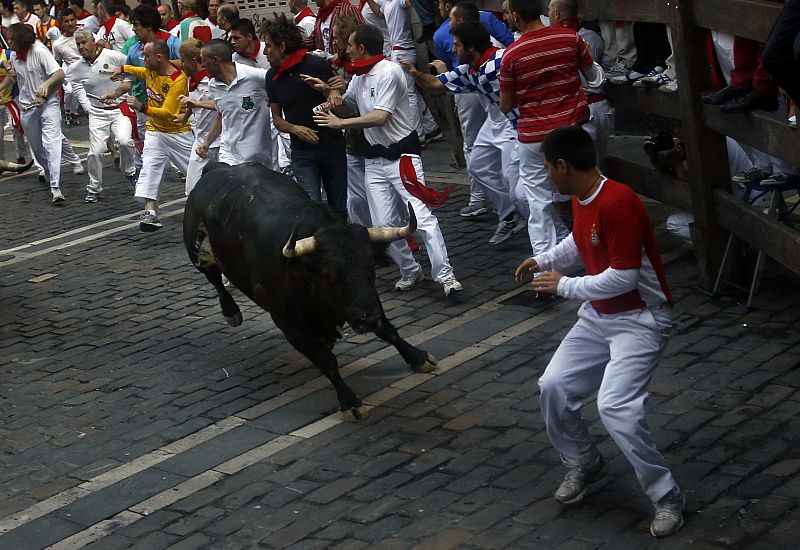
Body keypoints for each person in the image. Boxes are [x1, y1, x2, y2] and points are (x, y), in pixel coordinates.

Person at [514, 125, 684, 539]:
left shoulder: (619, 203)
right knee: (552, 385)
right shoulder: (583, 196)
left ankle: (666, 496)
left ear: (562, 165)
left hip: (640, 320)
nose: (546, 175)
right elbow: (579, 241)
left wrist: (563, 285)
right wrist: (544, 259)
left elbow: (625, 277)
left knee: (616, 407)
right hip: (599, 316)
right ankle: (584, 461)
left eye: (547, 168)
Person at [311, 23, 463, 297]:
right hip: (374, 161)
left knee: (421, 217)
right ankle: (411, 271)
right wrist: (326, 93)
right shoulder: (360, 77)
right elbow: (347, 104)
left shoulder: (389, 72)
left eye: (350, 46)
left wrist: (340, 123)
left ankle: (445, 276)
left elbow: (380, 116)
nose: (346, 50)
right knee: (383, 226)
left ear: (362, 47)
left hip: (402, 157)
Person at [404, 21, 525, 246]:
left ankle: (536, 219)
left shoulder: (501, 60)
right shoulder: (470, 70)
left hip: (515, 125)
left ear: (470, 47)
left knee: (515, 183)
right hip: (495, 122)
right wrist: (414, 73)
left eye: (457, 45)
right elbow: (436, 84)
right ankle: (509, 214)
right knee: (477, 165)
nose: (452, 50)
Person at [499, 0, 603, 261]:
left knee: (538, 203)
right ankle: (600, 249)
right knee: (588, 190)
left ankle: (546, 268)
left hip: (533, 137)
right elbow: (593, 77)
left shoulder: (511, 54)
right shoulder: (571, 39)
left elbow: (505, 105)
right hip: (570, 130)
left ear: (515, 16)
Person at [433, 0, 514, 218]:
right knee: (477, 151)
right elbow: (508, 41)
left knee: (474, 145)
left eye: (448, 14)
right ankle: (491, 202)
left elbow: (447, 66)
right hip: (471, 85)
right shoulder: (487, 17)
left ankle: (485, 200)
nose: (447, 22)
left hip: (477, 92)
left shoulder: (441, 35)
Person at [263, 15, 347, 216]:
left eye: (268, 46)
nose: (265, 52)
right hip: (302, 152)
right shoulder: (271, 77)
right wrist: (294, 129)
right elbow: (277, 118)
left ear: (281, 46)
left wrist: (332, 93)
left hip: (331, 145)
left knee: (338, 205)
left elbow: (338, 91)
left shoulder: (315, 64)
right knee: (312, 205)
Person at [106, 39, 193, 231]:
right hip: (155, 131)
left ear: (159, 57)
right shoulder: (151, 71)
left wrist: (141, 106)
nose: (142, 59)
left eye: (146, 55)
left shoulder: (177, 81)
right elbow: (137, 70)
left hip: (178, 134)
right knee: (149, 167)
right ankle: (150, 212)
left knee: (196, 175)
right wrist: (122, 68)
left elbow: (168, 112)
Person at [69, 26, 136, 202]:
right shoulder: (76, 67)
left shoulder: (113, 56)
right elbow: (75, 85)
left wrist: (125, 91)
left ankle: (130, 172)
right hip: (97, 113)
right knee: (95, 152)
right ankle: (94, 188)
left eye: (84, 42)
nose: (81, 46)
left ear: (93, 41)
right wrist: (87, 106)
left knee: (124, 141)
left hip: (119, 109)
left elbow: (131, 72)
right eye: (78, 44)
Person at [1, 23, 66, 202]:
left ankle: (56, 187)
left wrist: (45, 85)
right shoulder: (14, 55)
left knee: (52, 143)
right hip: (27, 108)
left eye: (11, 39)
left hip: (48, 104)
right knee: (37, 150)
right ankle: (49, 170)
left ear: (21, 38)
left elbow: (59, 73)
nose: (8, 42)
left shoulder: (39, 50)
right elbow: (13, 77)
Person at [548, 0, 614, 166]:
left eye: (549, 10)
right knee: (600, 166)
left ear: (556, 14)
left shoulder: (554, 40)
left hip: (581, 111)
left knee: (587, 171)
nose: (548, 14)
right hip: (601, 108)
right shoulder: (593, 37)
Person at [197, 38, 272, 166]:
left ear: (216, 60)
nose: (202, 65)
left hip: (257, 156)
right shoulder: (213, 85)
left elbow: (282, 89)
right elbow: (222, 115)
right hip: (228, 154)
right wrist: (206, 143)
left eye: (204, 60)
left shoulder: (254, 76)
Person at [383, 0, 440, 144]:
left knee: (409, 95)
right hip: (399, 51)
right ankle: (431, 127)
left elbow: (410, 2)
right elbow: (378, 11)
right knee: (411, 91)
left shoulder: (398, 2)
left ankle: (419, 136)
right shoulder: (387, 4)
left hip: (403, 52)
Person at [176, 37, 220, 195]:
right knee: (191, 189)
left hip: (218, 143)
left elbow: (221, 106)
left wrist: (196, 103)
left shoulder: (212, 82)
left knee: (216, 189)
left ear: (193, 61)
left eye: (183, 60)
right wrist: (185, 116)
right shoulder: (190, 80)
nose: (181, 64)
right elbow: (192, 102)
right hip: (199, 140)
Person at [54, 7, 90, 125]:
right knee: (69, 90)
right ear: (62, 23)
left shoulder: (85, 33)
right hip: (72, 73)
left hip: (91, 70)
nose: (70, 23)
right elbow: (57, 63)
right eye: (66, 21)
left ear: (76, 20)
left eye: (72, 20)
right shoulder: (58, 44)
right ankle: (69, 113)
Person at [0, 44, 26, 165]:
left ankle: (20, 156)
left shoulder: (9, 54)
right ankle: (1, 162)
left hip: (12, 98)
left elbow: (17, 75)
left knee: (16, 127)